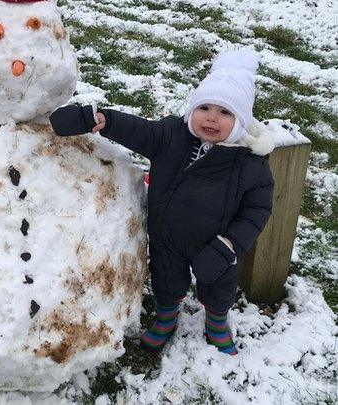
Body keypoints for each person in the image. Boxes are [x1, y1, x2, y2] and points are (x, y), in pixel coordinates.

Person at [49, 49, 274, 356]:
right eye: (204, 107)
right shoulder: (172, 135)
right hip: (167, 235)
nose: (211, 117)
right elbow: (139, 130)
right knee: (166, 277)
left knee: (219, 286)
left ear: (240, 121)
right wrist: (102, 119)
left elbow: (257, 209)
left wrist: (230, 245)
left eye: (225, 112)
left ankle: (217, 322)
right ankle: (166, 315)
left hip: (217, 243)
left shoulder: (250, 163)